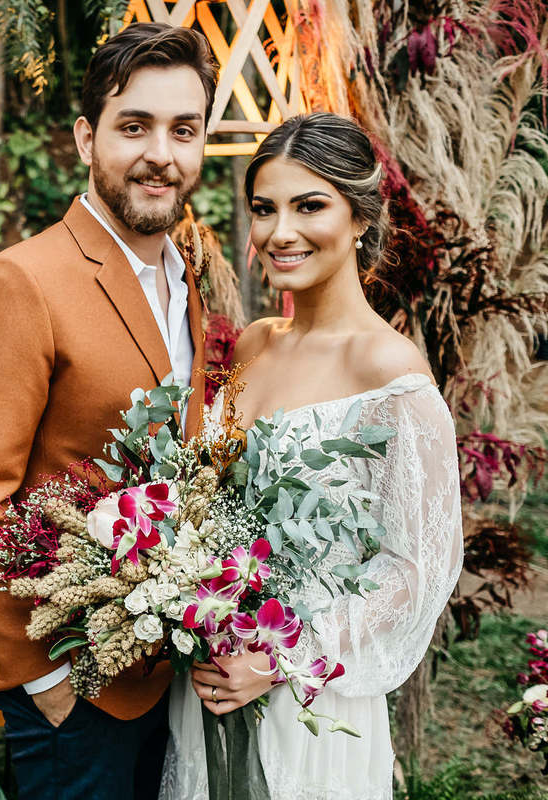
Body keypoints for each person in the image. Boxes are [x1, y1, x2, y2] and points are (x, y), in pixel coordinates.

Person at [0, 22, 217, 800]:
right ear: (87, 138)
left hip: (166, 672)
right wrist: (48, 679)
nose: (161, 154)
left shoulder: (184, 279)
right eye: (135, 127)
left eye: (183, 130)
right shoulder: (21, 283)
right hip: (74, 686)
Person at [159, 112, 464, 800]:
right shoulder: (256, 343)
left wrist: (280, 656)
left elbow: (419, 565)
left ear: (360, 218)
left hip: (307, 696)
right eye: (264, 208)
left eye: (309, 206)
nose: (279, 232)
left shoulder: (389, 372)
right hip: (209, 680)